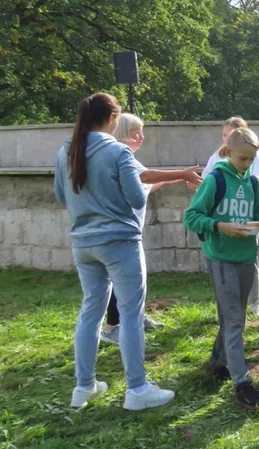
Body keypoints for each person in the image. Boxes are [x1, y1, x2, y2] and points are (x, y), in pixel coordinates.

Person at [54, 94, 199, 411]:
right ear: (112, 118)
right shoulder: (117, 151)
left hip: (83, 243)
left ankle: (84, 387)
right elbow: (135, 198)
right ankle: (137, 389)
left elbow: (61, 195)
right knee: (131, 316)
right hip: (120, 242)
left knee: (90, 312)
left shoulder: (66, 150)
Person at [184, 127, 259, 411]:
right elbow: (192, 216)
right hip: (221, 258)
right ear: (228, 152)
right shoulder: (215, 179)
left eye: (251, 159)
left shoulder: (252, 183)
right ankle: (243, 385)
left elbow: (258, 212)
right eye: (242, 159)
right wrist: (220, 226)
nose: (247, 164)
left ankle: (218, 362)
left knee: (230, 317)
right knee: (236, 320)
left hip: (246, 257)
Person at [100, 113, 193, 344]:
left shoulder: (125, 156)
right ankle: (112, 327)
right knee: (121, 281)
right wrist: (181, 173)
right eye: (136, 132)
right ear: (122, 133)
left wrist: (176, 179)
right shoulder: (122, 154)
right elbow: (146, 176)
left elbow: (147, 185)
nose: (142, 137)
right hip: (120, 233)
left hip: (128, 231)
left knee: (133, 281)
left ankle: (135, 318)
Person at [204, 116, 259, 319]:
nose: (225, 139)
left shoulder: (252, 154)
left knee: (250, 261)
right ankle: (227, 308)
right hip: (223, 223)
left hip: (245, 219)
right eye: (224, 135)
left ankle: (255, 302)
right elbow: (208, 178)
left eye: (229, 135)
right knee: (223, 270)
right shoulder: (218, 156)